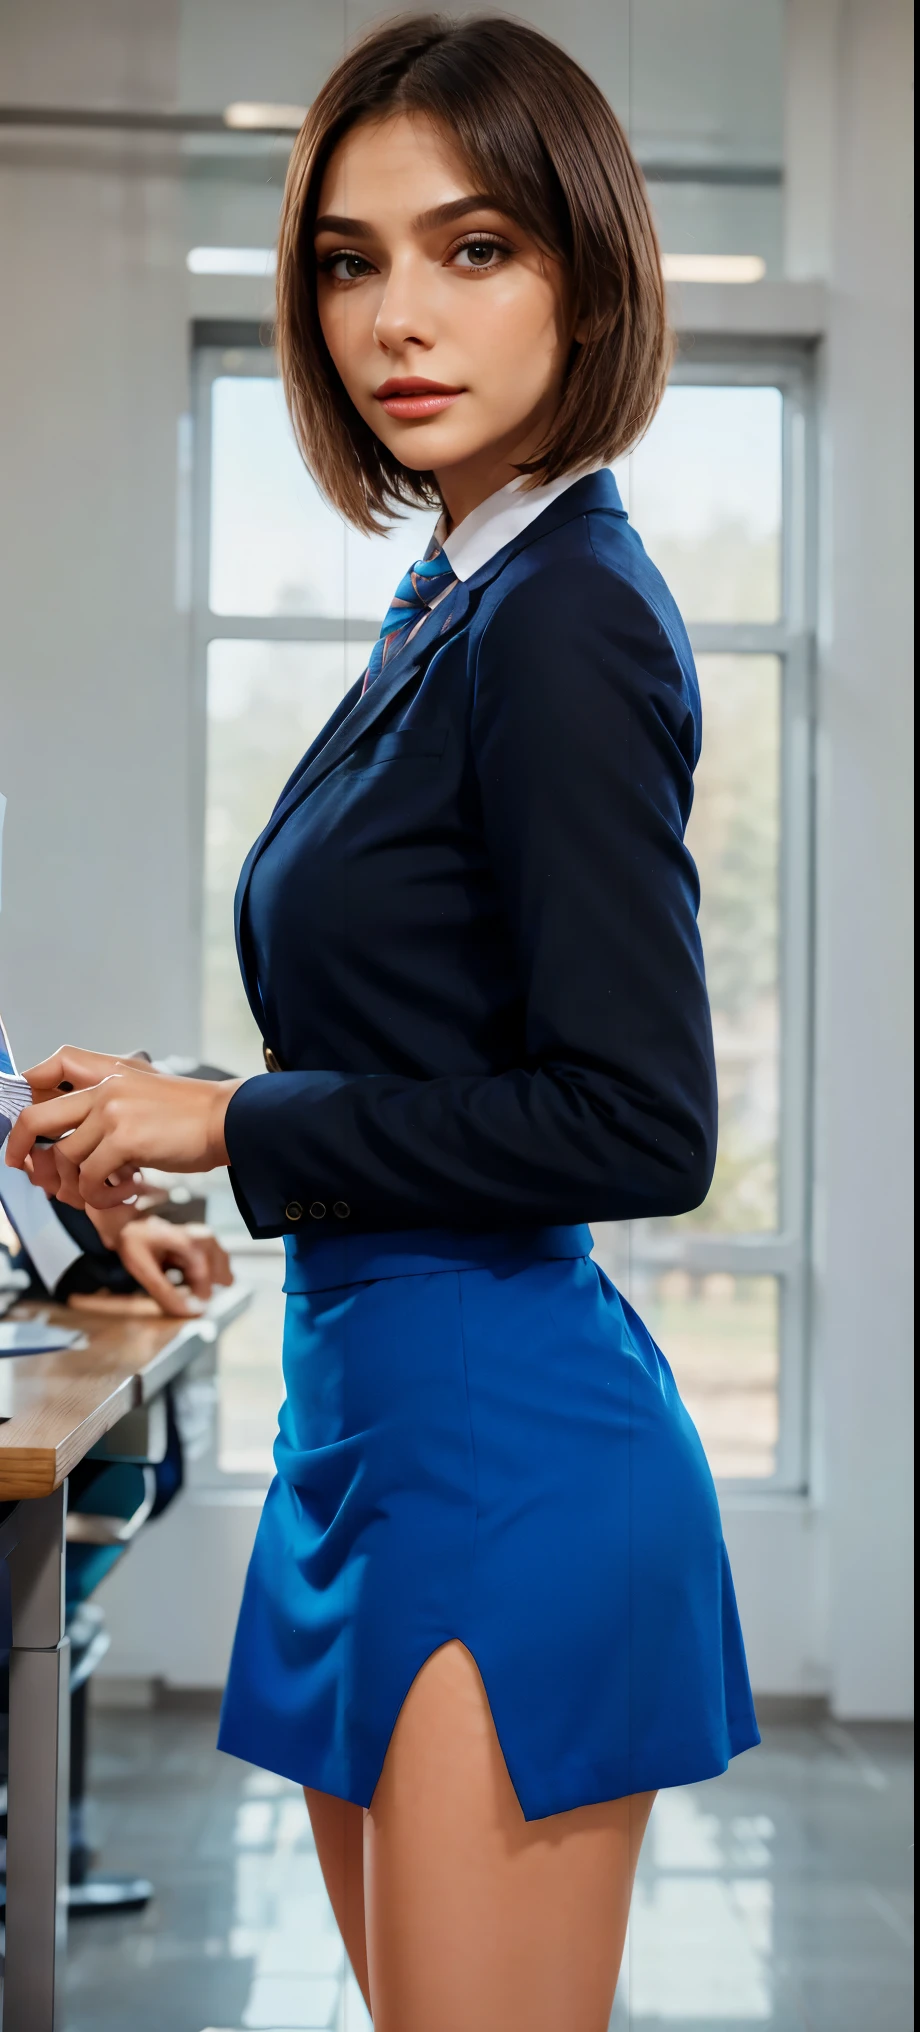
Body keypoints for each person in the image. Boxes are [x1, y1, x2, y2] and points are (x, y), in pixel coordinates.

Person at [6, 15, 760, 2028]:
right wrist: (161, 1134)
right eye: (350, 260)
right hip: (370, 1422)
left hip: (501, 1448)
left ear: (584, 274)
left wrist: (233, 1119)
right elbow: (428, 1025)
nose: (394, 317)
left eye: (472, 247)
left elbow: (635, 1119)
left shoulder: (570, 610)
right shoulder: (457, 590)